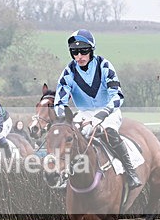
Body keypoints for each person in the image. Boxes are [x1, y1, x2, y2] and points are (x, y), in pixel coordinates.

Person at [53, 29, 142, 188]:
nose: (79, 56)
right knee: (69, 139)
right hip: (84, 113)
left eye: (83, 51)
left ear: (91, 50)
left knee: (110, 133)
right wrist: (62, 117)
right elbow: (60, 100)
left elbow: (117, 96)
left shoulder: (104, 65)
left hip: (108, 112)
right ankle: (65, 173)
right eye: (74, 52)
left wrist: (101, 115)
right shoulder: (68, 72)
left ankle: (130, 172)